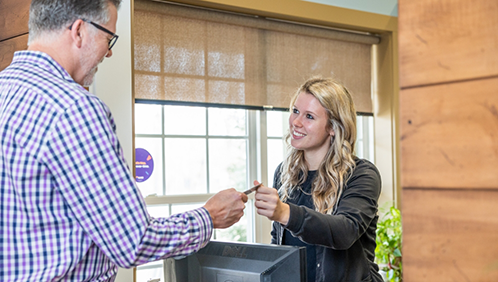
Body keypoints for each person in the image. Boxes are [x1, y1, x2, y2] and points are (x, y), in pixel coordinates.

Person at [0, 0, 248, 281]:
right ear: (79, 31)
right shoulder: (73, 108)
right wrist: (209, 217)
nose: (109, 52)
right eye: (109, 37)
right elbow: (133, 241)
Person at [254, 77, 383, 282]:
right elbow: (280, 241)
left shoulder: (361, 174)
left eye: (309, 116)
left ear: (333, 127)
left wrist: (284, 212)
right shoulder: (284, 173)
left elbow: (345, 231)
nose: (296, 122)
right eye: (295, 111)